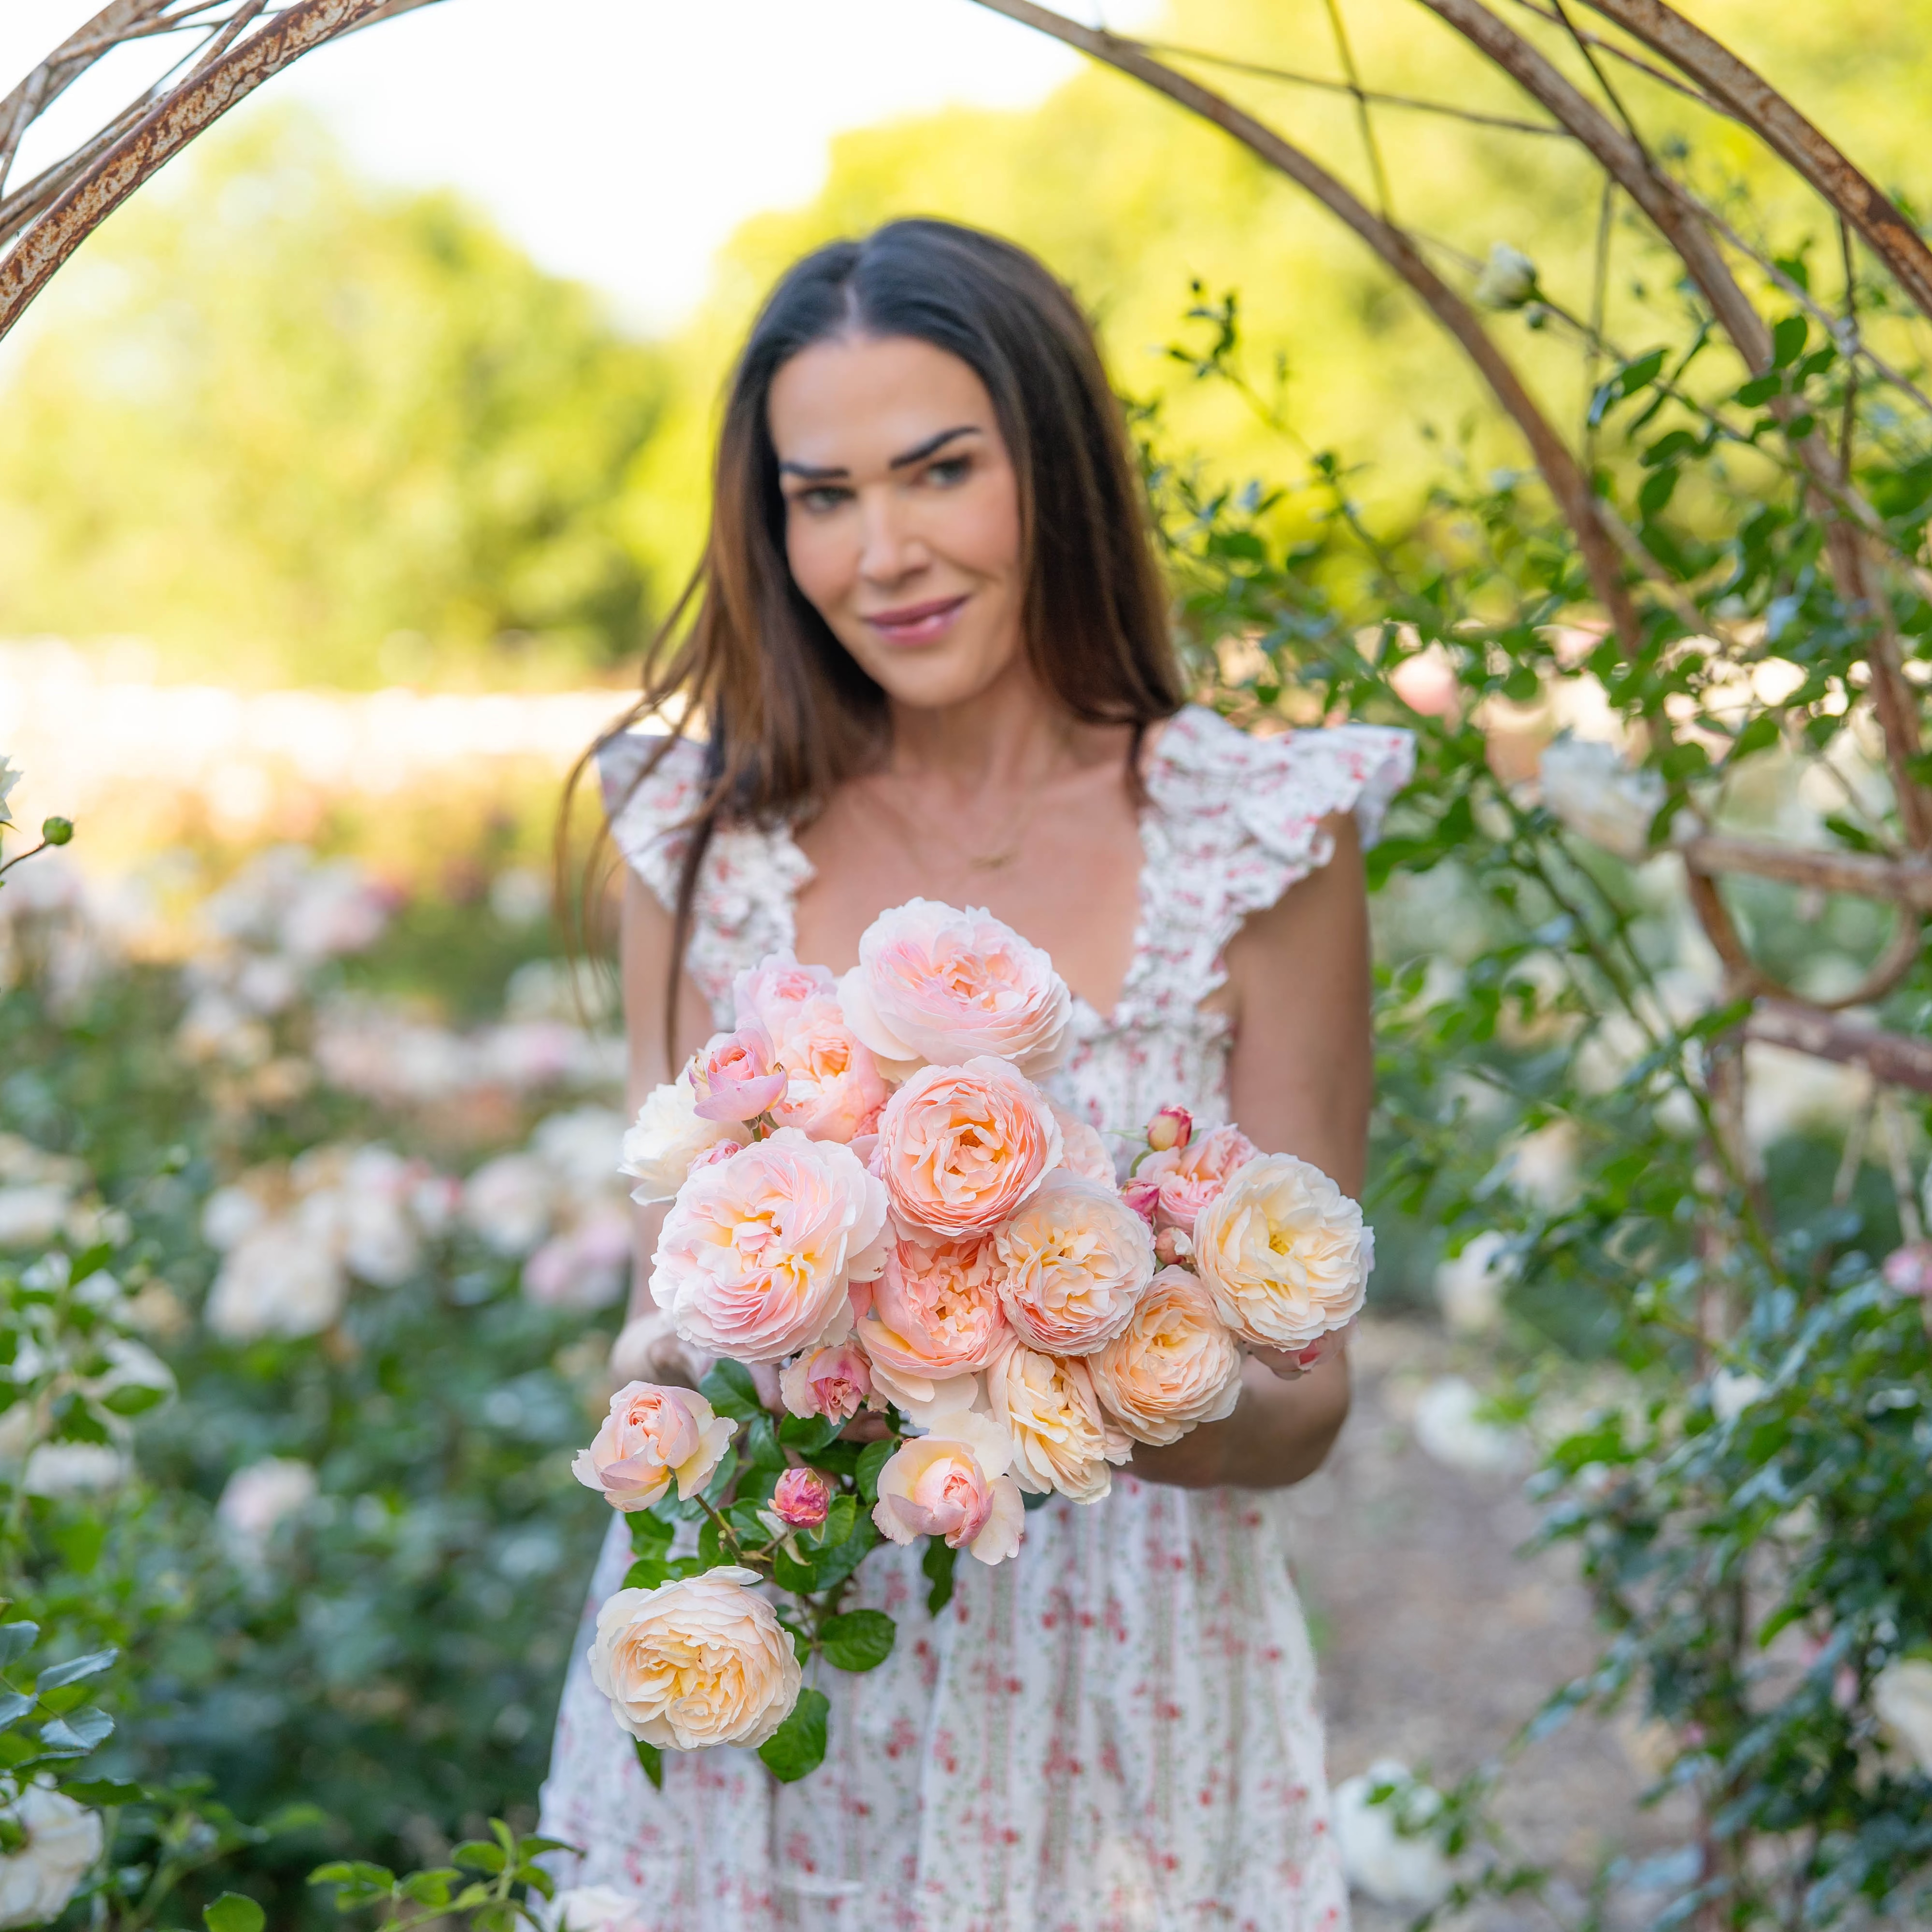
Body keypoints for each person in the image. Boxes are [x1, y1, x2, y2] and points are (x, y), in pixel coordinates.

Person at [540, 218, 1411, 1932]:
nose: (886, 553)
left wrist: (1061, 1376)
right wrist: (763, 1371)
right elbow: (663, 1324)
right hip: (784, 1661)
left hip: (1132, 1680)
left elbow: (1308, 1399)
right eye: (824, 494)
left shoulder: (1257, 839)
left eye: (942, 470)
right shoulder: (707, 842)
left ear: (1058, 470)